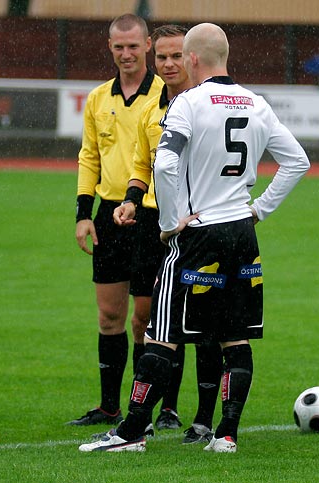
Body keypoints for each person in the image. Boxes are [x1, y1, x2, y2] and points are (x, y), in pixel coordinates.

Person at [80, 22, 310, 453]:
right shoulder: (256, 103)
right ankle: (225, 435)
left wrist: (170, 220)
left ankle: (130, 434)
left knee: (160, 334)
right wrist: (258, 208)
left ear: (193, 59)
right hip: (242, 232)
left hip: (198, 233)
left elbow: (165, 164)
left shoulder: (187, 102)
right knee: (233, 336)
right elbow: (297, 161)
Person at [112, 24, 224, 443]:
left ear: (192, 57)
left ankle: (203, 417)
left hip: (200, 230)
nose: (169, 64)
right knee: (149, 321)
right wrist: (129, 199)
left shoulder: (208, 105)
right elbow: (143, 165)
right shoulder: (148, 109)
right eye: (161, 57)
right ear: (152, 60)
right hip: (155, 229)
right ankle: (147, 411)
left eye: (177, 56)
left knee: (207, 324)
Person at [70, 14, 165, 426]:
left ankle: (149, 411)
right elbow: (89, 155)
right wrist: (83, 215)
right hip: (109, 216)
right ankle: (110, 407)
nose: (126, 54)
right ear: (109, 48)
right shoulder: (97, 98)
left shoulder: (166, 94)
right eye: (118, 47)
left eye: (133, 46)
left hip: (152, 215)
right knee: (109, 316)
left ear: (147, 45)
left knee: (145, 319)